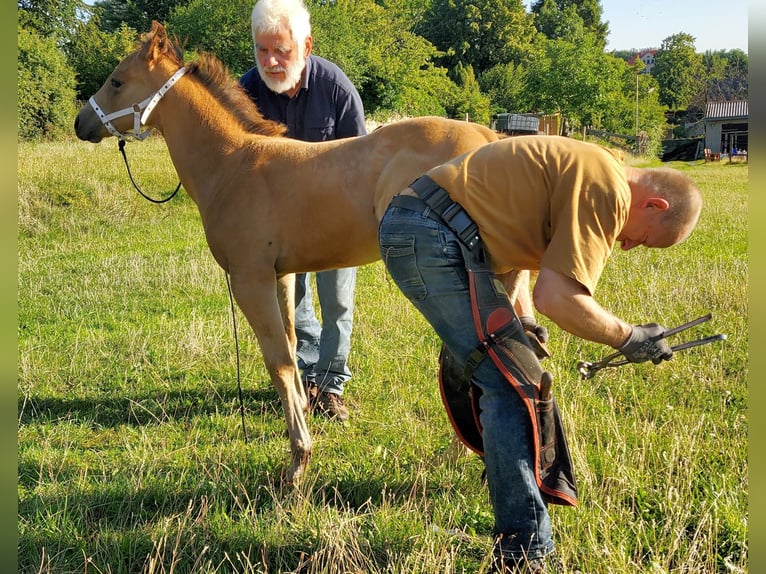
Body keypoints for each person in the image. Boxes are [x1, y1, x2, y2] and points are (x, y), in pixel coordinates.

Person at [377, 135, 702, 572]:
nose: (628, 247)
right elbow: (560, 297)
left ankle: (510, 486)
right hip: (432, 234)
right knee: (512, 386)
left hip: (426, 224)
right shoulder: (607, 185)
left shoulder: (590, 166)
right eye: (643, 240)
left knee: (507, 365)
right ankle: (525, 551)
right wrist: (630, 337)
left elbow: (513, 251)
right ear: (655, 206)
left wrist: (522, 322)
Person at [240, 0, 367, 421]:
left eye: (282, 50)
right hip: (275, 224)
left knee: (336, 300)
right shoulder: (244, 93)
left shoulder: (336, 88)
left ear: (306, 45)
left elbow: (364, 162)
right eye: (262, 51)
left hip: (336, 217)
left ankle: (330, 385)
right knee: (290, 299)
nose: (272, 62)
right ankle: (306, 375)